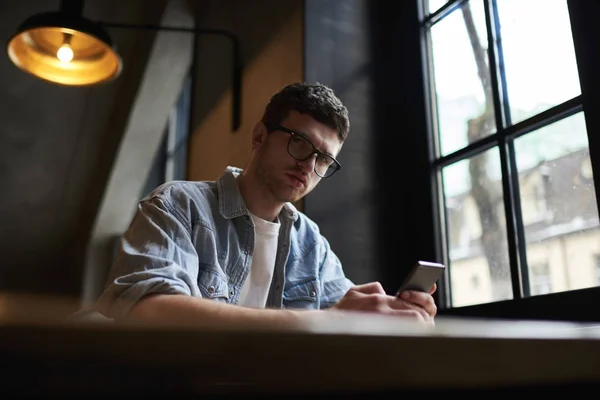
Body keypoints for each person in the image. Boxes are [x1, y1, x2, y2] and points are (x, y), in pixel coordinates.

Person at [94, 82, 437, 327]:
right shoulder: (179, 204)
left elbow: (348, 320)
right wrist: (325, 319)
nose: (308, 165)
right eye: (300, 144)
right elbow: (150, 311)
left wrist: (397, 313)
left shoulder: (310, 244)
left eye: (323, 160)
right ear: (259, 136)